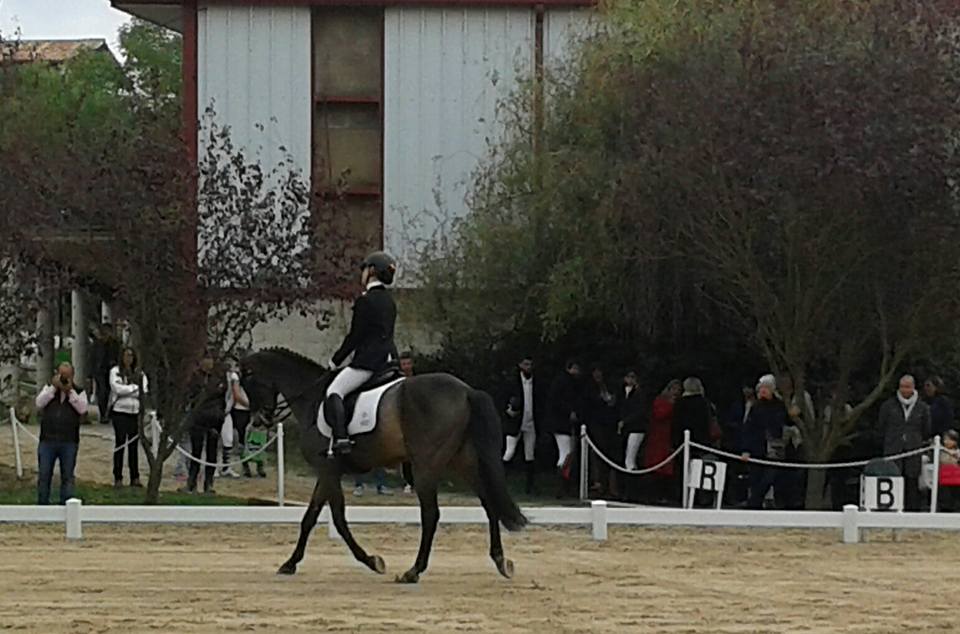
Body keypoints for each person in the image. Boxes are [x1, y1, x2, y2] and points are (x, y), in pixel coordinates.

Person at [323, 251, 398, 456]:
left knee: (334, 392)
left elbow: (355, 337)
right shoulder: (389, 301)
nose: (362, 274)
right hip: (387, 361)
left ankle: (341, 438)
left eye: (364, 270)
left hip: (367, 362)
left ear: (371, 271)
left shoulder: (366, 301)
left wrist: (334, 360)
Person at [35, 362, 88, 505]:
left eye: (67, 376)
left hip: (69, 440)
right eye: (62, 375)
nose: (64, 379)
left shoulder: (79, 391)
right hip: (47, 439)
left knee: (68, 476)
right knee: (44, 474)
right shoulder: (49, 389)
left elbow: (82, 409)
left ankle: (67, 506)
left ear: (72, 376)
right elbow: (39, 403)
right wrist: (53, 388)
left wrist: (70, 391)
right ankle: (42, 505)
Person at [879, 374, 931, 511]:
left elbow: (926, 429)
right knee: (893, 480)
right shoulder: (888, 405)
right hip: (893, 449)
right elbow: (881, 427)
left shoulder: (922, 407)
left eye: (907, 387)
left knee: (912, 482)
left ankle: (912, 511)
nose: (904, 390)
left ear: (913, 387)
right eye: (902, 387)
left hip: (913, 450)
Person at [742, 374, 790, 509]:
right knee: (756, 478)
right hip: (757, 448)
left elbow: (785, 422)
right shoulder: (755, 407)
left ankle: (754, 503)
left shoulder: (780, 406)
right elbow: (748, 429)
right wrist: (746, 450)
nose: (763, 390)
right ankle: (755, 505)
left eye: (766, 388)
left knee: (769, 478)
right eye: (761, 388)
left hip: (774, 449)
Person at [182, 351, 226, 494]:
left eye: (210, 359)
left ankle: (209, 483)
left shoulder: (218, 377)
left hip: (214, 419)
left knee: (212, 452)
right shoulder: (195, 377)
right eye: (205, 359)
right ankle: (192, 482)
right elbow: (193, 394)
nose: (208, 363)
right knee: (196, 451)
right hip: (198, 418)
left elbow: (220, 395)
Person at [108, 347, 147, 488]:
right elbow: (117, 389)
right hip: (120, 411)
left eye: (131, 355)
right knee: (120, 443)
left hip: (134, 412)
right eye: (126, 355)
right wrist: (133, 388)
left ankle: (135, 476)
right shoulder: (115, 371)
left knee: (133, 446)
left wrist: (132, 389)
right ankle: (118, 476)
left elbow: (144, 390)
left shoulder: (139, 373)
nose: (128, 358)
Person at [502, 355, 541, 494]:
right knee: (509, 452)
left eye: (530, 364)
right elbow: (504, 398)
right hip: (516, 422)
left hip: (530, 422)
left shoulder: (536, 382)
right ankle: (500, 483)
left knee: (530, 455)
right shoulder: (513, 381)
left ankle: (530, 487)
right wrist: (508, 410)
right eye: (525, 364)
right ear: (520, 365)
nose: (528, 367)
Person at [547, 359, 583, 496]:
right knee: (565, 453)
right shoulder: (566, 383)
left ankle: (563, 485)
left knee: (566, 453)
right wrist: (570, 412)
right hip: (562, 425)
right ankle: (561, 486)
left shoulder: (561, 382)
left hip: (560, 424)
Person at [643, 379, 682, 504]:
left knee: (667, 468)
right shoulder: (660, 400)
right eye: (674, 389)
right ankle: (653, 495)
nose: (676, 392)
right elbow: (659, 415)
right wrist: (671, 406)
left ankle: (666, 495)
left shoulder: (679, 403)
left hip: (669, 437)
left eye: (678, 390)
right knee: (657, 467)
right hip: (658, 437)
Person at [584, 365, 619, 497]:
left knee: (607, 453)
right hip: (595, 424)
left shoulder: (608, 387)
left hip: (608, 425)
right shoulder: (589, 389)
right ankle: (597, 482)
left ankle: (608, 485)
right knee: (596, 452)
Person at [221, 358, 249, 478]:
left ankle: (226, 467)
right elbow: (236, 395)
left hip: (226, 412)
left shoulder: (233, 376)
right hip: (220, 410)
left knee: (228, 439)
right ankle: (217, 467)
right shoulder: (232, 377)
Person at [91, 322, 119, 425]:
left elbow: (117, 356)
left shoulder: (114, 344)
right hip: (100, 371)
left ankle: (110, 412)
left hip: (111, 370)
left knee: (111, 392)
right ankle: (103, 414)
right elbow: (93, 357)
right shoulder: (98, 344)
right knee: (102, 392)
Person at [620, 371, 646, 470]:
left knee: (630, 457)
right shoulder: (622, 392)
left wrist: (625, 420)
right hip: (626, 428)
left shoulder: (640, 393)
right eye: (628, 377)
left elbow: (640, 411)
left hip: (637, 427)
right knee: (627, 456)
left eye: (633, 377)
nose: (630, 379)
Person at [398, 351, 416, 494]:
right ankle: (408, 482)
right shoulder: (398, 381)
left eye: (408, 363)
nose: (406, 366)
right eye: (403, 364)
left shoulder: (417, 381)